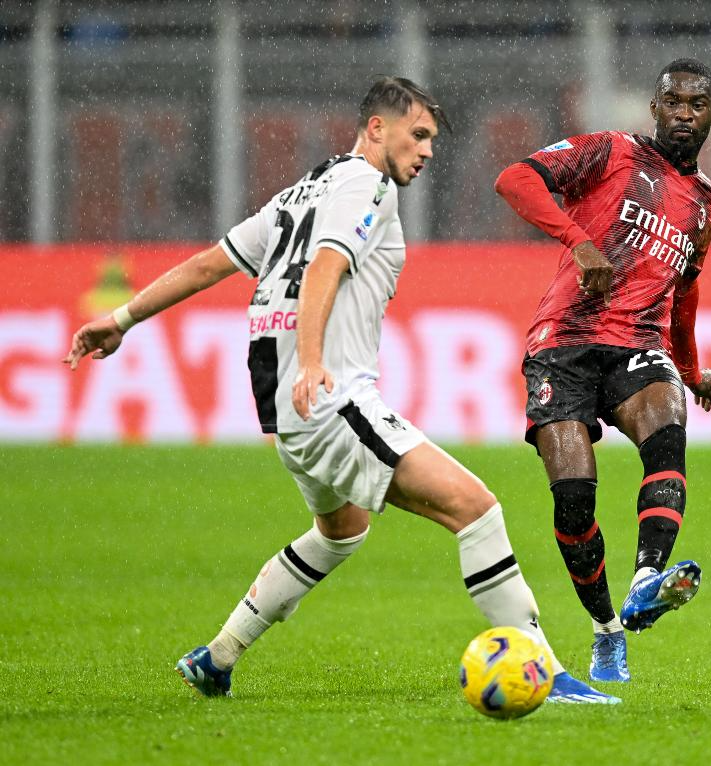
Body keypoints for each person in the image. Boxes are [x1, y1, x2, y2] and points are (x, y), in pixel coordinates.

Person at [64, 76, 617, 705]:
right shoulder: (367, 185)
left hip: (286, 408)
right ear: (377, 128)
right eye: (418, 134)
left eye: (432, 139)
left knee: (341, 530)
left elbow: (209, 264)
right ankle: (546, 672)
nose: (427, 151)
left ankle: (217, 657)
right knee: (476, 509)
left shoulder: (301, 192)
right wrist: (311, 361)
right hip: (329, 398)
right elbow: (326, 266)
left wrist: (122, 318)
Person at [494, 59, 711, 684]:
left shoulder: (707, 203)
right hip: (564, 343)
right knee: (574, 503)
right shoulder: (611, 152)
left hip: (638, 345)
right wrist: (579, 242)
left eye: (696, 105)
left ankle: (647, 580)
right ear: (654, 108)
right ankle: (605, 630)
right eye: (673, 102)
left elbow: (684, 291)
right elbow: (515, 179)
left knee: (667, 425)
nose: (683, 114)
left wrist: (690, 370)